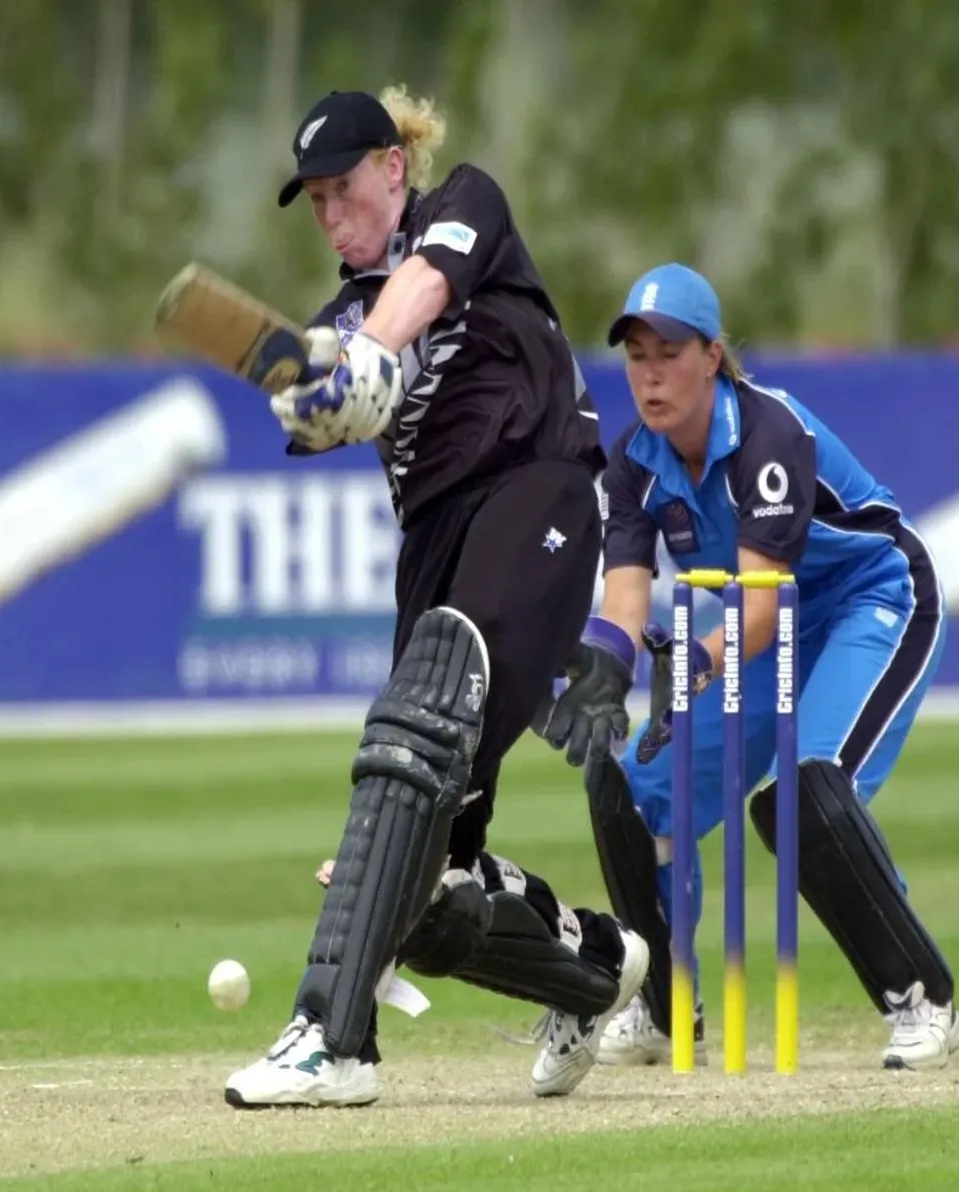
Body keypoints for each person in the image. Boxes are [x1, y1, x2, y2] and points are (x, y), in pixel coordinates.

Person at [222, 85, 648, 1110]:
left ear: (393, 169)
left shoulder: (466, 203)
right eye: (313, 202)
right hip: (437, 546)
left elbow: (425, 282)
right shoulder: (338, 319)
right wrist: (322, 388)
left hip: (538, 494)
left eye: (342, 189)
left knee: (415, 732)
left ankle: (334, 1042)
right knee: (419, 881)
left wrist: (375, 347)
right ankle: (594, 969)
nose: (330, 215)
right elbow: (323, 402)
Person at [535, 262, 959, 1072]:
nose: (651, 374)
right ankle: (667, 1007)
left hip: (869, 602)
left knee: (808, 793)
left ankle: (921, 997)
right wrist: (596, 664)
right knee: (629, 786)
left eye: (669, 352)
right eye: (636, 355)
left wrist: (692, 660)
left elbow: (761, 608)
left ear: (712, 356)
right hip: (766, 630)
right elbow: (626, 602)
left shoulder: (767, 433)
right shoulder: (631, 463)